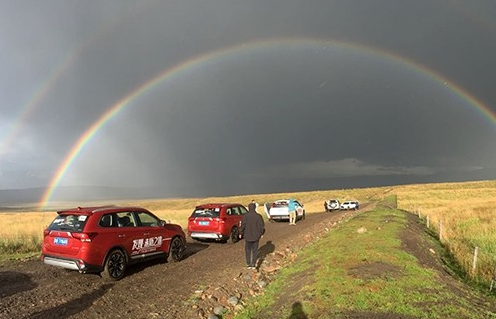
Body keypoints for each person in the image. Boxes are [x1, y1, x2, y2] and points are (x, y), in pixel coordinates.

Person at [240, 200, 265, 270]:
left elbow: (243, 226)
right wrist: (261, 233)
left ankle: (248, 264)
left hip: (247, 236)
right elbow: (262, 226)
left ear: (248, 208)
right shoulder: (258, 216)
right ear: (254, 208)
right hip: (256, 236)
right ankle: (253, 264)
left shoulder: (245, 216)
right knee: (255, 250)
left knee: (247, 250)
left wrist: (241, 233)